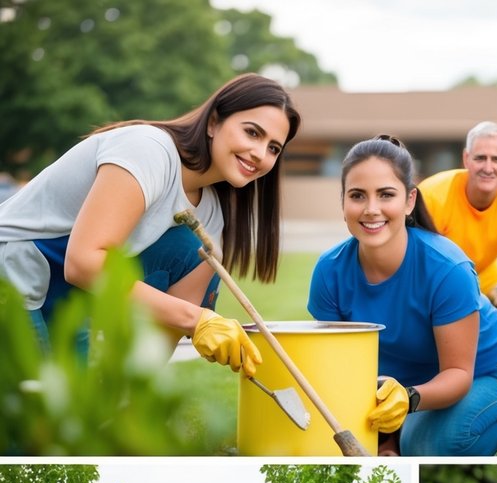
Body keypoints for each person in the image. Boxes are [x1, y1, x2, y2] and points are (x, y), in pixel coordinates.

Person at [0, 75, 300, 377]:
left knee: (200, 254)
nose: (260, 154)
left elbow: (170, 325)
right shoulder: (147, 150)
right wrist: (198, 319)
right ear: (213, 123)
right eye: (252, 133)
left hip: (70, 298)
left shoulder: (209, 216)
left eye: (274, 148)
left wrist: (128, 400)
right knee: (37, 415)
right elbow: (82, 263)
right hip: (14, 273)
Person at [307, 135, 497, 457]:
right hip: (410, 386)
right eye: (357, 195)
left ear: (409, 201)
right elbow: (345, 372)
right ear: (343, 203)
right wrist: (384, 441)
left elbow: (458, 374)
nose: (371, 209)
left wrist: (407, 402)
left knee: (434, 444)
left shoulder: (447, 269)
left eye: (386, 195)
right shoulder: (329, 271)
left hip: (486, 375)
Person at [418, 121, 497, 326]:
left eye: (496, 159)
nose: (488, 167)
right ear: (466, 158)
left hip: (489, 287)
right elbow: (413, 256)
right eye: (480, 158)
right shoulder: (431, 195)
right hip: (437, 289)